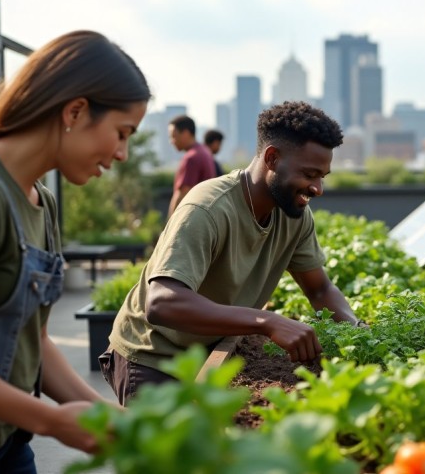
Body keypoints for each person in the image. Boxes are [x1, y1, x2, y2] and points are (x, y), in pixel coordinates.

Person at [0, 30, 150, 471]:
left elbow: (31, 342)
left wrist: (117, 421)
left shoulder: (42, 200)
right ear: (76, 111)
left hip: (5, 442)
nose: (122, 153)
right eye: (122, 132)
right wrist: (53, 421)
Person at [103, 101, 362, 405]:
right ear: (273, 158)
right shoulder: (208, 208)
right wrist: (266, 322)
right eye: (310, 174)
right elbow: (162, 303)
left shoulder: (295, 216)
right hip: (153, 356)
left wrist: (357, 334)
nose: (317, 188)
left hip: (206, 350)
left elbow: (319, 289)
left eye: (323, 176)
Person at [167, 115, 216, 219]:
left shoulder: (191, 158)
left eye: (173, 136)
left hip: (190, 218)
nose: (171, 141)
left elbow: (182, 193)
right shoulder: (204, 151)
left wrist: (170, 225)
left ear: (186, 133)